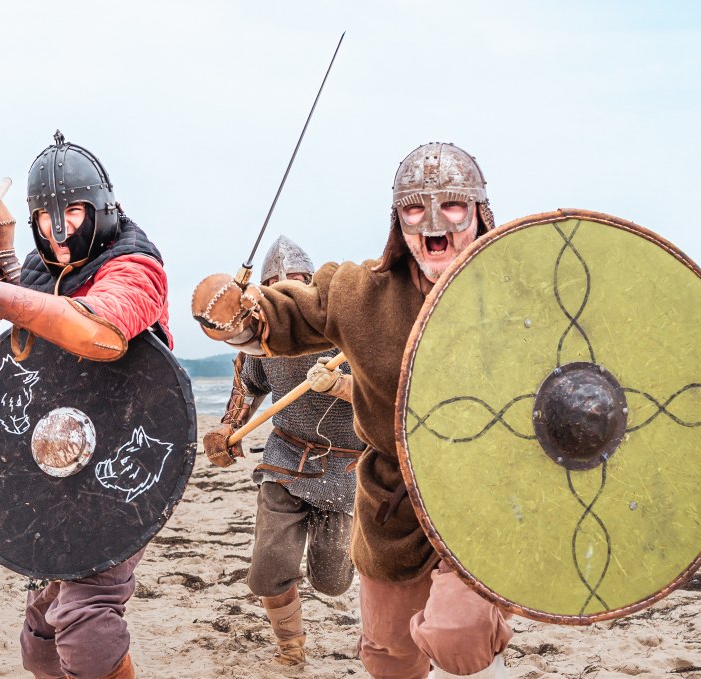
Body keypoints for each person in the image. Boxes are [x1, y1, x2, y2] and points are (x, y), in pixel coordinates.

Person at [190, 143, 513, 678]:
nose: (433, 222)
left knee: (460, 639)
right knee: (387, 658)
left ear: (479, 213)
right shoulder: (363, 294)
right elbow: (289, 315)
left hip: (484, 496)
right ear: (398, 222)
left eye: (451, 206)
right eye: (415, 209)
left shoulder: (520, 294)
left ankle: (483, 644)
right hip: (392, 503)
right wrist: (243, 317)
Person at [0, 131, 169, 679]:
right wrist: (1, 252)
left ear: (101, 208)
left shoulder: (133, 264)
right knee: (41, 642)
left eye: (73, 212)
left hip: (125, 462)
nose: (59, 229)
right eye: (44, 217)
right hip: (56, 461)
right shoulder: (44, 264)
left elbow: (95, 331)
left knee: (86, 625)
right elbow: (33, 323)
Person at [200, 235, 360, 666]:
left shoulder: (343, 328)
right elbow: (248, 387)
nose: (285, 285)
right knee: (270, 568)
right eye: (275, 279)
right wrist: (228, 428)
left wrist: (343, 385)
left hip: (345, 469)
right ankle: (291, 650)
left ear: (309, 281)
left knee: (332, 582)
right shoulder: (265, 338)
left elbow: (384, 394)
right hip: (286, 460)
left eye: (294, 278)